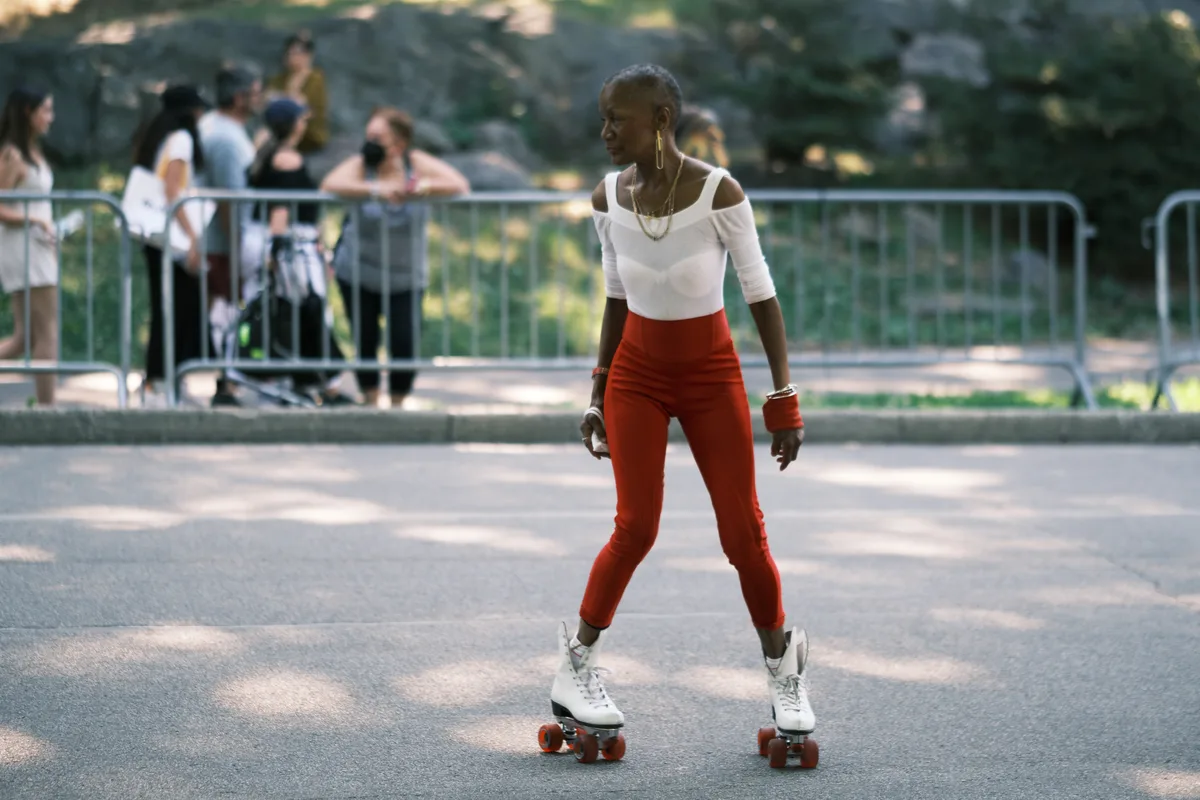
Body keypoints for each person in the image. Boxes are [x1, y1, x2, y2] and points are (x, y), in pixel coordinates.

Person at [547, 65, 815, 757]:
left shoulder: (719, 193)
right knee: (635, 527)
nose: (605, 132)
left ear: (662, 118)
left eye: (618, 119)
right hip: (635, 376)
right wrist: (596, 393)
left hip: (709, 375)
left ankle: (784, 672)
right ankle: (575, 665)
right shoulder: (607, 197)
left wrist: (783, 397)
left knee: (742, 534)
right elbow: (614, 298)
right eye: (603, 118)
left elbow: (760, 295)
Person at [321, 106, 470, 409]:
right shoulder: (363, 166)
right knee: (364, 340)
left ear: (399, 143)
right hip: (359, 272)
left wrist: (419, 189)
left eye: (378, 137)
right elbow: (330, 185)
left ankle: (398, 407)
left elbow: (459, 186)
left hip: (405, 276)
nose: (370, 143)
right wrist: (376, 189)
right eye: (368, 136)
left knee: (404, 342)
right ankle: (371, 401)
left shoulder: (416, 163)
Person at [241, 97, 353, 405]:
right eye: (301, 120)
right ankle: (324, 383)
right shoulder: (287, 159)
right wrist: (277, 249)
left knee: (288, 312)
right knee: (308, 311)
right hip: (293, 246)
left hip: (275, 242)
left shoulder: (265, 154)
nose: (305, 126)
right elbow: (282, 208)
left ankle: (304, 381)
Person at [130, 84, 211, 405]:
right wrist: (193, 237)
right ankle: (163, 379)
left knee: (167, 306)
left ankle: (160, 378)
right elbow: (172, 190)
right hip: (171, 237)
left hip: (156, 237)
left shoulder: (158, 136)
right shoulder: (181, 140)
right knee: (177, 307)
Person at [199, 62, 263, 407]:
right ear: (239, 97)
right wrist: (235, 245)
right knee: (225, 313)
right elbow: (229, 199)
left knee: (223, 312)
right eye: (255, 92)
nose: (260, 99)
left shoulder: (222, 129)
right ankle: (227, 382)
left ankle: (231, 377)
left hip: (224, 239)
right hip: (224, 242)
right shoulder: (224, 136)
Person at [0, 87, 58, 406]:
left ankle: (47, 408)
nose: (50, 118)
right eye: (45, 110)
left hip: (36, 245)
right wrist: (33, 221)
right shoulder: (12, 154)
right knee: (46, 334)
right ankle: (49, 411)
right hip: (25, 248)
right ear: (27, 112)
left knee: (24, 338)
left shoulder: (31, 151)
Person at [266, 31, 328, 156]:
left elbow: (306, 109)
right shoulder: (280, 78)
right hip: (281, 130)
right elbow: (268, 99)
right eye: (290, 53)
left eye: (298, 53)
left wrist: (283, 101)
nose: (292, 57)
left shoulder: (315, 78)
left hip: (308, 135)